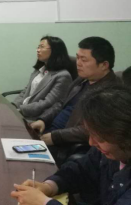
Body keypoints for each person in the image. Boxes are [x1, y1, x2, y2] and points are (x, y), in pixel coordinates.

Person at [11, 85, 131, 205]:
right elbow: (81, 170)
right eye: (90, 134)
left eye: (100, 138)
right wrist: (50, 186)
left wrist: (43, 202)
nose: (91, 142)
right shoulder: (110, 152)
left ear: (124, 135)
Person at [29, 36, 120, 164]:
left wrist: (55, 137)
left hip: (65, 145)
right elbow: (61, 103)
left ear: (104, 65)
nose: (78, 63)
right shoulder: (82, 79)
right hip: (50, 132)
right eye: (77, 58)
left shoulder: (112, 93)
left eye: (84, 60)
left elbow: (90, 130)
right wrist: (43, 120)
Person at [12, 36, 74, 121]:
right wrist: (13, 105)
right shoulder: (39, 70)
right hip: (22, 111)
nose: (38, 50)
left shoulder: (63, 76)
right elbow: (25, 91)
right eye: (38, 47)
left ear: (54, 50)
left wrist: (20, 110)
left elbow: (47, 103)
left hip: (36, 118)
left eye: (42, 47)